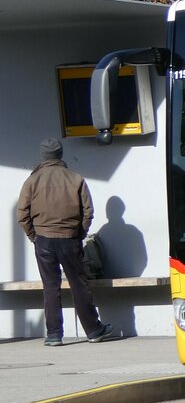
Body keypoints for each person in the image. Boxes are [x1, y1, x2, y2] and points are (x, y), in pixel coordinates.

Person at [17, 137, 118, 346]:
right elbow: (88, 211)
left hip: (44, 239)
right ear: (60, 154)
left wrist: (34, 236)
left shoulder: (32, 181)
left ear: (43, 156)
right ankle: (93, 330)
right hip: (70, 238)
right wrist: (80, 232)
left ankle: (54, 334)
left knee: (50, 286)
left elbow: (22, 214)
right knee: (79, 285)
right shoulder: (75, 178)